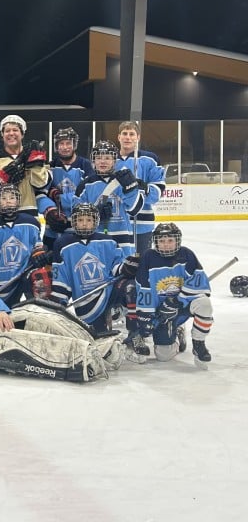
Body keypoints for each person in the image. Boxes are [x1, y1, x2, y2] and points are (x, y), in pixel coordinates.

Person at [50, 203, 141, 339]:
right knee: (99, 340)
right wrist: (59, 301)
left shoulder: (108, 241)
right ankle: (108, 317)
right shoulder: (63, 244)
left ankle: (134, 335)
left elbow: (117, 266)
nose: (85, 224)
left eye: (89, 220)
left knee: (131, 287)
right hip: (85, 300)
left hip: (109, 290)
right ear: (74, 222)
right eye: (80, 220)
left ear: (95, 222)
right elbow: (62, 276)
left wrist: (127, 268)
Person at [135, 223, 214, 368]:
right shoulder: (148, 257)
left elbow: (198, 283)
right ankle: (176, 332)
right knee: (163, 356)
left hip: (182, 306)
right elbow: (143, 288)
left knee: (204, 304)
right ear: (155, 242)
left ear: (177, 241)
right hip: (161, 312)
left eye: (170, 240)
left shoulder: (187, 255)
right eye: (162, 241)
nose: (166, 245)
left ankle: (199, 344)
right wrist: (148, 316)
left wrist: (176, 301)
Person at [0, 184, 49, 306]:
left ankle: (42, 309)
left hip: (24, 278)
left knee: (40, 275)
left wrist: (40, 254)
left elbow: (37, 247)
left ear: (18, 200)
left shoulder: (31, 223)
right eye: (3, 198)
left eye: (12, 197)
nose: (8, 201)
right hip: (0, 286)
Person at [74, 140, 144, 255]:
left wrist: (131, 190)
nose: (103, 161)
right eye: (99, 157)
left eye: (107, 158)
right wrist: (95, 213)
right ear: (93, 160)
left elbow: (134, 210)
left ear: (114, 161)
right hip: (96, 240)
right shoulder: (84, 185)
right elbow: (76, 216)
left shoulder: (124, 180)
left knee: (124, 271)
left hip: (123, 241)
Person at [115, 121, 166, 254]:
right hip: (116, 223)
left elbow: (158, 191)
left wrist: (147, 189)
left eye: (132, 134)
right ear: (118, 137)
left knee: (142, 265)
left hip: (142, 225)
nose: (128, 137)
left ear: (138, 137)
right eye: (124, 134)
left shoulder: (150, 159)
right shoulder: (109, 159)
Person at [0, 114, 51, 218]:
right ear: (2, 134)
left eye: (15, 130)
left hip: (29, 213)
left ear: (22, 134)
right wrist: (1, 178)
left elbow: (41, 184)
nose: (11, 133)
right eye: (7, 131)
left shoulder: (33, 153)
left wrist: (35, 165)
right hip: (2, 215)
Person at [42, 127, 94, 251]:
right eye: (61, 143)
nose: (65, 147)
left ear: (74, 145)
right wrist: (50, 211)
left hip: (80, 226)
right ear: (56, 146)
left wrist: (59, 198)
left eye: (68, 143)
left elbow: (89, 194)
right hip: (53, 228)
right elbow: (41, 193)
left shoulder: (86, 165)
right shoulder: (50, 166)